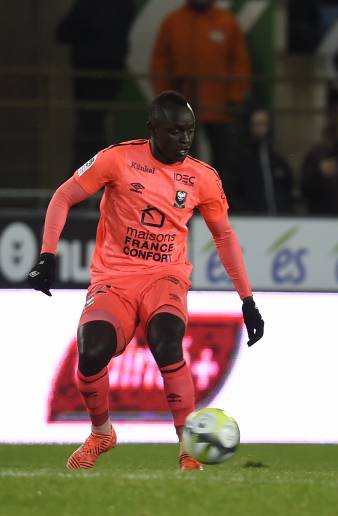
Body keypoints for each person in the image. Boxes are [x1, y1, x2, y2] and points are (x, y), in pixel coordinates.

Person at [26, 91, 264, 471]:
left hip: (165, 277)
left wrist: (247, 300)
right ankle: (102, 433)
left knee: (167, 340)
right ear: (152, 129)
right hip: (114, 278)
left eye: (189, 131)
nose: (184, 139)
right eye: (174, 131)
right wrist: (47, 255)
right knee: (91, 351)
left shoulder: (203, 178)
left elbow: (224, 237)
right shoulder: (118, 159)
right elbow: (63, 196)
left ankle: (188, 449)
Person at [150, 0, 251, 176]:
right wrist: (165, 99)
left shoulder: (227, 22)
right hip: (181, 109)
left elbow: (240, 63)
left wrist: (235, 97)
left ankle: (219, 192)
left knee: (224, 161)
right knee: (178, 161)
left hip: (219, 108)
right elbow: (160, 62)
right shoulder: (173, 22)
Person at [56, 0, 135, 170]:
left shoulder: (89, 5)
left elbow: (63, 32)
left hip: (88, 75)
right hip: (107, 73)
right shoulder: (123, 5)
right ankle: (96, 173)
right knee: (92, 125)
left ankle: (90, 173)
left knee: (89, 126)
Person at [228, 109, 294, 214]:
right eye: (257, 124)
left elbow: (287, 189)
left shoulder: (278, 161)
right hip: (251, 218)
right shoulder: (240, 161)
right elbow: (232, 192)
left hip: (278, 218)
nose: (260, 129)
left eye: (264, 124)